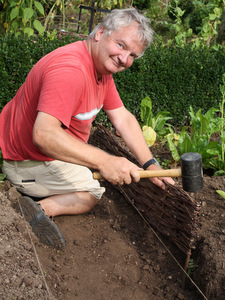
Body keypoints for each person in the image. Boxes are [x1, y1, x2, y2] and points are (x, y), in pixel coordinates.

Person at [0, 8, 174, 250]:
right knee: (91, 192)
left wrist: (150, 164)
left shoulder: (100, 70)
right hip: (26, 161)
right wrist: (104, 162)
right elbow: (43, 134)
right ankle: (36, 209)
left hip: (32, 151)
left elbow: (122, 117)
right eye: (121, 45)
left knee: (92, 164)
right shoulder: (70, 71)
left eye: (133, 54)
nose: (125, 58)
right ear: (100, 33)